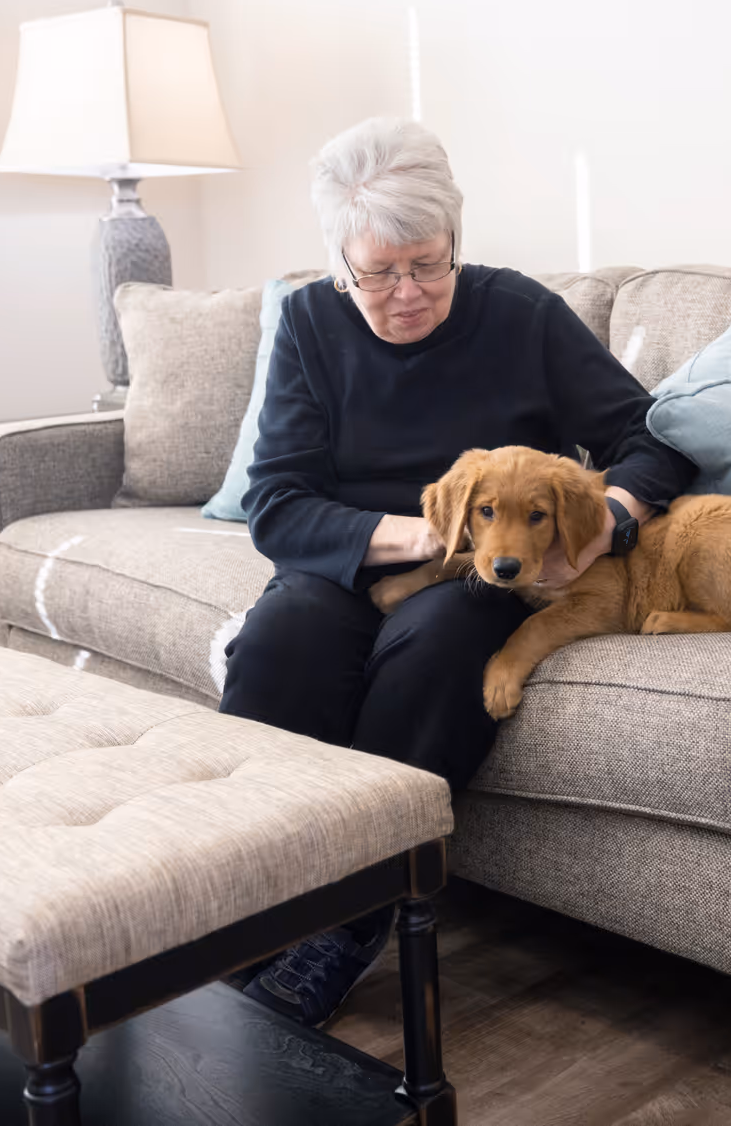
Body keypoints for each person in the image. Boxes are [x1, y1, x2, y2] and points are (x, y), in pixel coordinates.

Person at [220, 116, 696, 1025]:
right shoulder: (310, 322)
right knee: (280, 641)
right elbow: (275, 502)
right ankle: (246, 903)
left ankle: (348, 923)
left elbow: (651, 441)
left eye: (428, 264)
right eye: (379, 273)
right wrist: (425, 536)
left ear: (456, 241)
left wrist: (610, 523)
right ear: (339, 264)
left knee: (436, 648)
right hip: (362, 552)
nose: (407, 293)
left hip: (486, 574)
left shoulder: (518, 313)